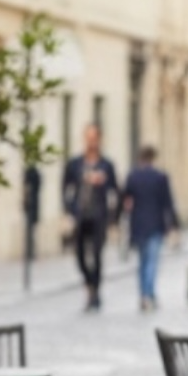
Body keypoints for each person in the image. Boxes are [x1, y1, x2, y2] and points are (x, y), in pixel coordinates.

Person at [61, 123, 120, 312]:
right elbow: (65, 187)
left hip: (99, 215)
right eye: (89, 138)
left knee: (96, 254)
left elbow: (115, 191)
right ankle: (88, 285)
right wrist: (69, 209)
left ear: (99, 140)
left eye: (95, 138)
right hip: (80, 215)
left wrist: (113, 218)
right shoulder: (75, 164)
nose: (91, 142)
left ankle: (95, 292)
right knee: (79, 255)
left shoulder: (106, 165)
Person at [121, 144, 180, 312]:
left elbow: (124, 198)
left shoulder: (133, 176)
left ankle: (144, 294)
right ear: (153, 158)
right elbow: (168, 203)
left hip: (138, 224)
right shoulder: (160, 177)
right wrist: (174, 225)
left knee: (142, 262)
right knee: (152, 261)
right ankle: (149, 293)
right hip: (155, 224)